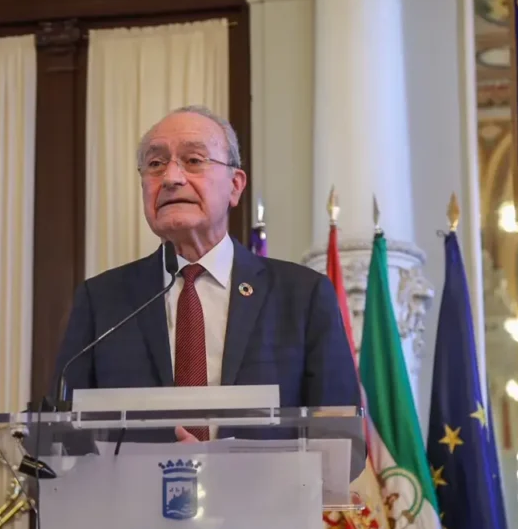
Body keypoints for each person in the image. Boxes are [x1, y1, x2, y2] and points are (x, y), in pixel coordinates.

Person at [52, 105, 361, 446]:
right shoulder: (102, 301)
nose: (170, 178)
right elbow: (60, 442)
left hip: (264, 499)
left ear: (234, 185)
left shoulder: (302, 296)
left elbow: (339, 440)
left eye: (194, 160)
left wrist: (223, 474)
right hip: (135, 499)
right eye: (155, 164)